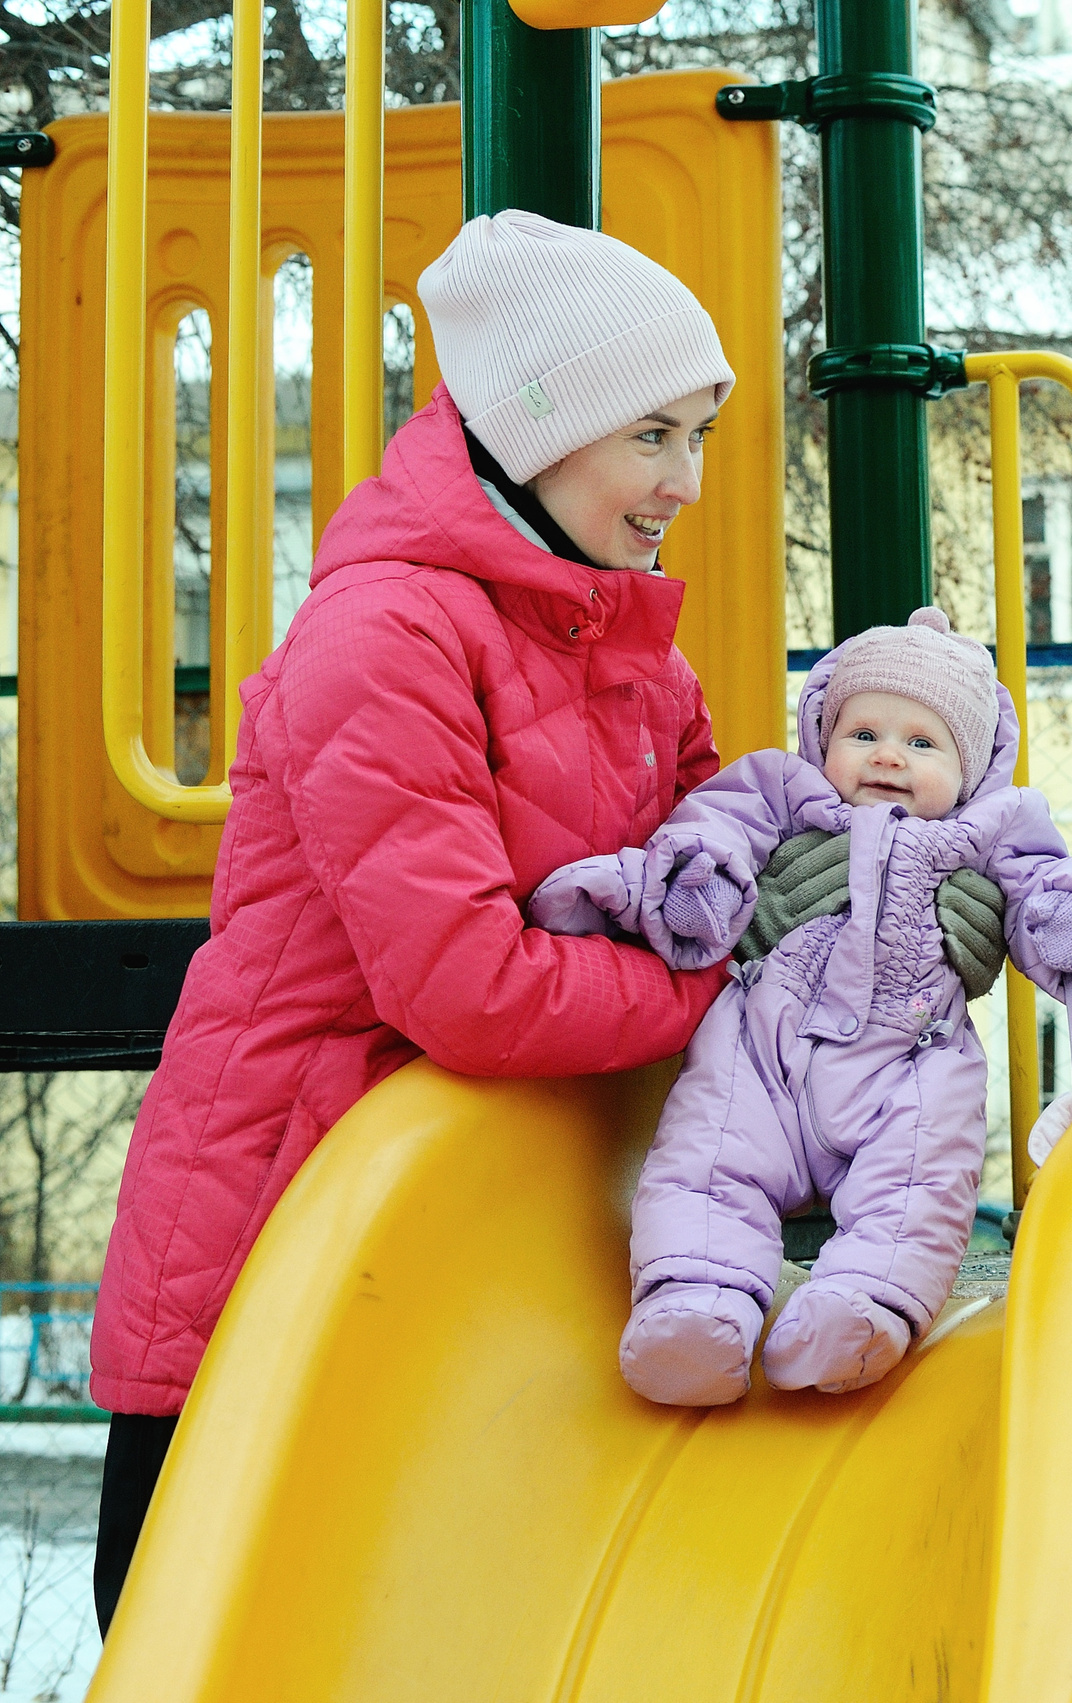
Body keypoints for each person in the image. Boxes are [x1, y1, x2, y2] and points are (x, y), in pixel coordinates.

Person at [81, 213, 1012, 1634]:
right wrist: (729, 996)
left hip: (495, 1210)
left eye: (696, 435)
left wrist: (889, 904)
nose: (684, 482)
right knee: (209, 1613)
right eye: (653, 435)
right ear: (538, 430)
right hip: (293, 1198)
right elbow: (464, 981)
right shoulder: (382, 639)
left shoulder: (618, 642)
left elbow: (734, 869)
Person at [529, 609, 1072, 1403]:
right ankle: (694, 1309)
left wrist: (1063, 921)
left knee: (920, 1181)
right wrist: (699, 883)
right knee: (705, 1161)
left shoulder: (997, 824)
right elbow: (714, 825)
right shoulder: (782, 787)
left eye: (923, 743)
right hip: (764, 1049)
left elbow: (1039, 882)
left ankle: (858, 1313)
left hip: (909, 1062)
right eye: (864, 733)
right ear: (825, 737)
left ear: (973, 767)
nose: (888, 754)